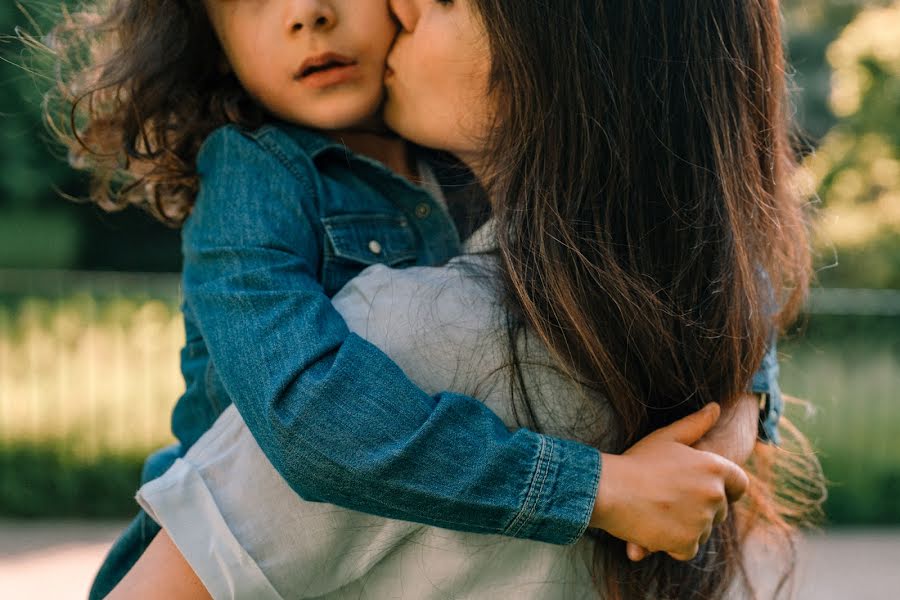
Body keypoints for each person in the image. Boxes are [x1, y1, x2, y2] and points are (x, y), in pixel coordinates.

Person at [86, 0, 823, 598]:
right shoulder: (254, 176)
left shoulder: (458, 150)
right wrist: (597, 488)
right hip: (224, 550)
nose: (307, 12)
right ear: (213, 48)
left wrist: (734, 417)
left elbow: (711, 258)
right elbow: (305, 409)